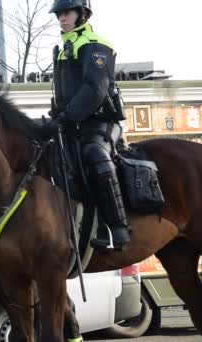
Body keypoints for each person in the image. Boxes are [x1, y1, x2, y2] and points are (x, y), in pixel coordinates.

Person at [46, 0, 130, 251]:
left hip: (101, 122)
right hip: (72, 123)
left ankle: (116, 229)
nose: (61, 18)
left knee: (94, 154)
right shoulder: (63, 48)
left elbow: (95, 90)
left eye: (67, 13)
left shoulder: (96, 44)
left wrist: (67, 116)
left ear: (82, 14)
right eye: (59, 14)